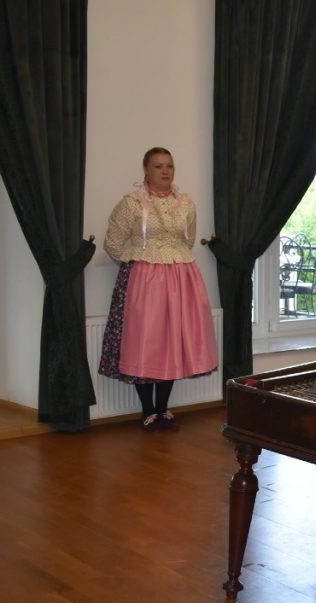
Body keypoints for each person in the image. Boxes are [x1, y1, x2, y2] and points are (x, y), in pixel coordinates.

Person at [99, 147, 219, 431]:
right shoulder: (131, 204)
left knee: (172, 341)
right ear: (146, 170)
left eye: (169, 166)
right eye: (158, 166)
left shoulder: (186, 203)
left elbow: (187, 241)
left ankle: (163, 409)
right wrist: (138, 261)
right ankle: (148, 411)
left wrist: (173, 261)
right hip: (144, 281)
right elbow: (112, 243)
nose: (165, 171)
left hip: (181, 279)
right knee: (145, 340)